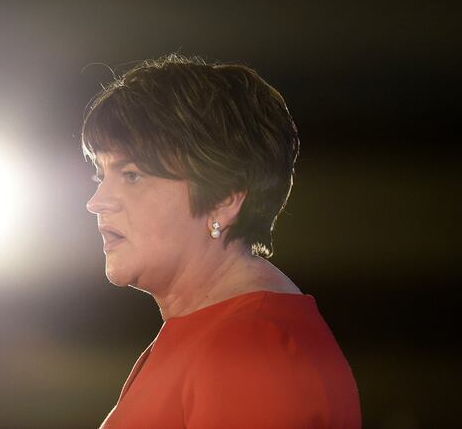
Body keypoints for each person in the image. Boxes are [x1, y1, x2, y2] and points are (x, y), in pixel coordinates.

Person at [82, 54, 361, 428]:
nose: (97, 202)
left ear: (225, 198)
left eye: (131, 175)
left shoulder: (250, 347)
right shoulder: (218, 333)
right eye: (101, 175)